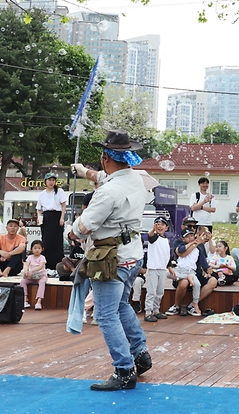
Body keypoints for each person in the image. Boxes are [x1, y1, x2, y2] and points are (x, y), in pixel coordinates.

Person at [71, 129, 152, 391]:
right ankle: (140, 352)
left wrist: (70, 229)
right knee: (120, 306)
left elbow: (83, 226)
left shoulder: (106, 194)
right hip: (133, 256)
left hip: (111, 259)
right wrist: (86, 172)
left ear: (105, 157)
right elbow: (107, 176)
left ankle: (124, 370)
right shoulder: (137, 179)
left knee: (106, 315)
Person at [37, 172, 67, 270]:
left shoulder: (59, 191)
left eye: (53, 180)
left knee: (57, 240)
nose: (51, 182)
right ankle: (47, 264)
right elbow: (39, 209)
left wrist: (62, 217)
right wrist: (39, 218)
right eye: (49, 180)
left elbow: (63, 205)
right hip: (46, 216)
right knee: (46, 240)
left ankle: (58, 264)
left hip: (56, 215)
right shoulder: (42, 194)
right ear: (45, 181)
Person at [143, 217, 171, 322]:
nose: (160, 226)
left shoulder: (166, 240)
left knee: (160, 291)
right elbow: (150, 236)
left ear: (166, 228)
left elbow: (166, 255)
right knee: (151, 291)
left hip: (162, 268)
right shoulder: (154, 238)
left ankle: (156, 310)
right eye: (157, 224)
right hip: (153, 268)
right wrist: (153, 230)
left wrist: (169, 267)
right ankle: (148, 312)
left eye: (162, 224)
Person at [173, 228, 202, 316]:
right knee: (168, 274)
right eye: (187, 237)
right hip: (180, 270)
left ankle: (195, 303)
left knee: (197, 284)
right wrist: (192, 244)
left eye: (192, 236)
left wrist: (208, 269)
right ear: (183, 239)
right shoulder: (181, 245)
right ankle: (176, 305)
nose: (190, 238)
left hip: (191, 272)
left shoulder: (198, 249)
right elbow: (181, 251)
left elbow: (202, 260)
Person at [19, 240, 48, 310]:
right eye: (35, 248)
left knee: (42, 282)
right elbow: (26, 264)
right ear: (31, 249)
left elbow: (40, 266)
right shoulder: (30, 257)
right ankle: (25, 299)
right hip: (32, 276)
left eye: (39, 248)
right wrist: (26, 270)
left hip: (41, 275)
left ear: (42, 249)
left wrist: (31, 270)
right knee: (23, 282)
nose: (37, 250)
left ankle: (39, 301)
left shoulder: (42, 257)